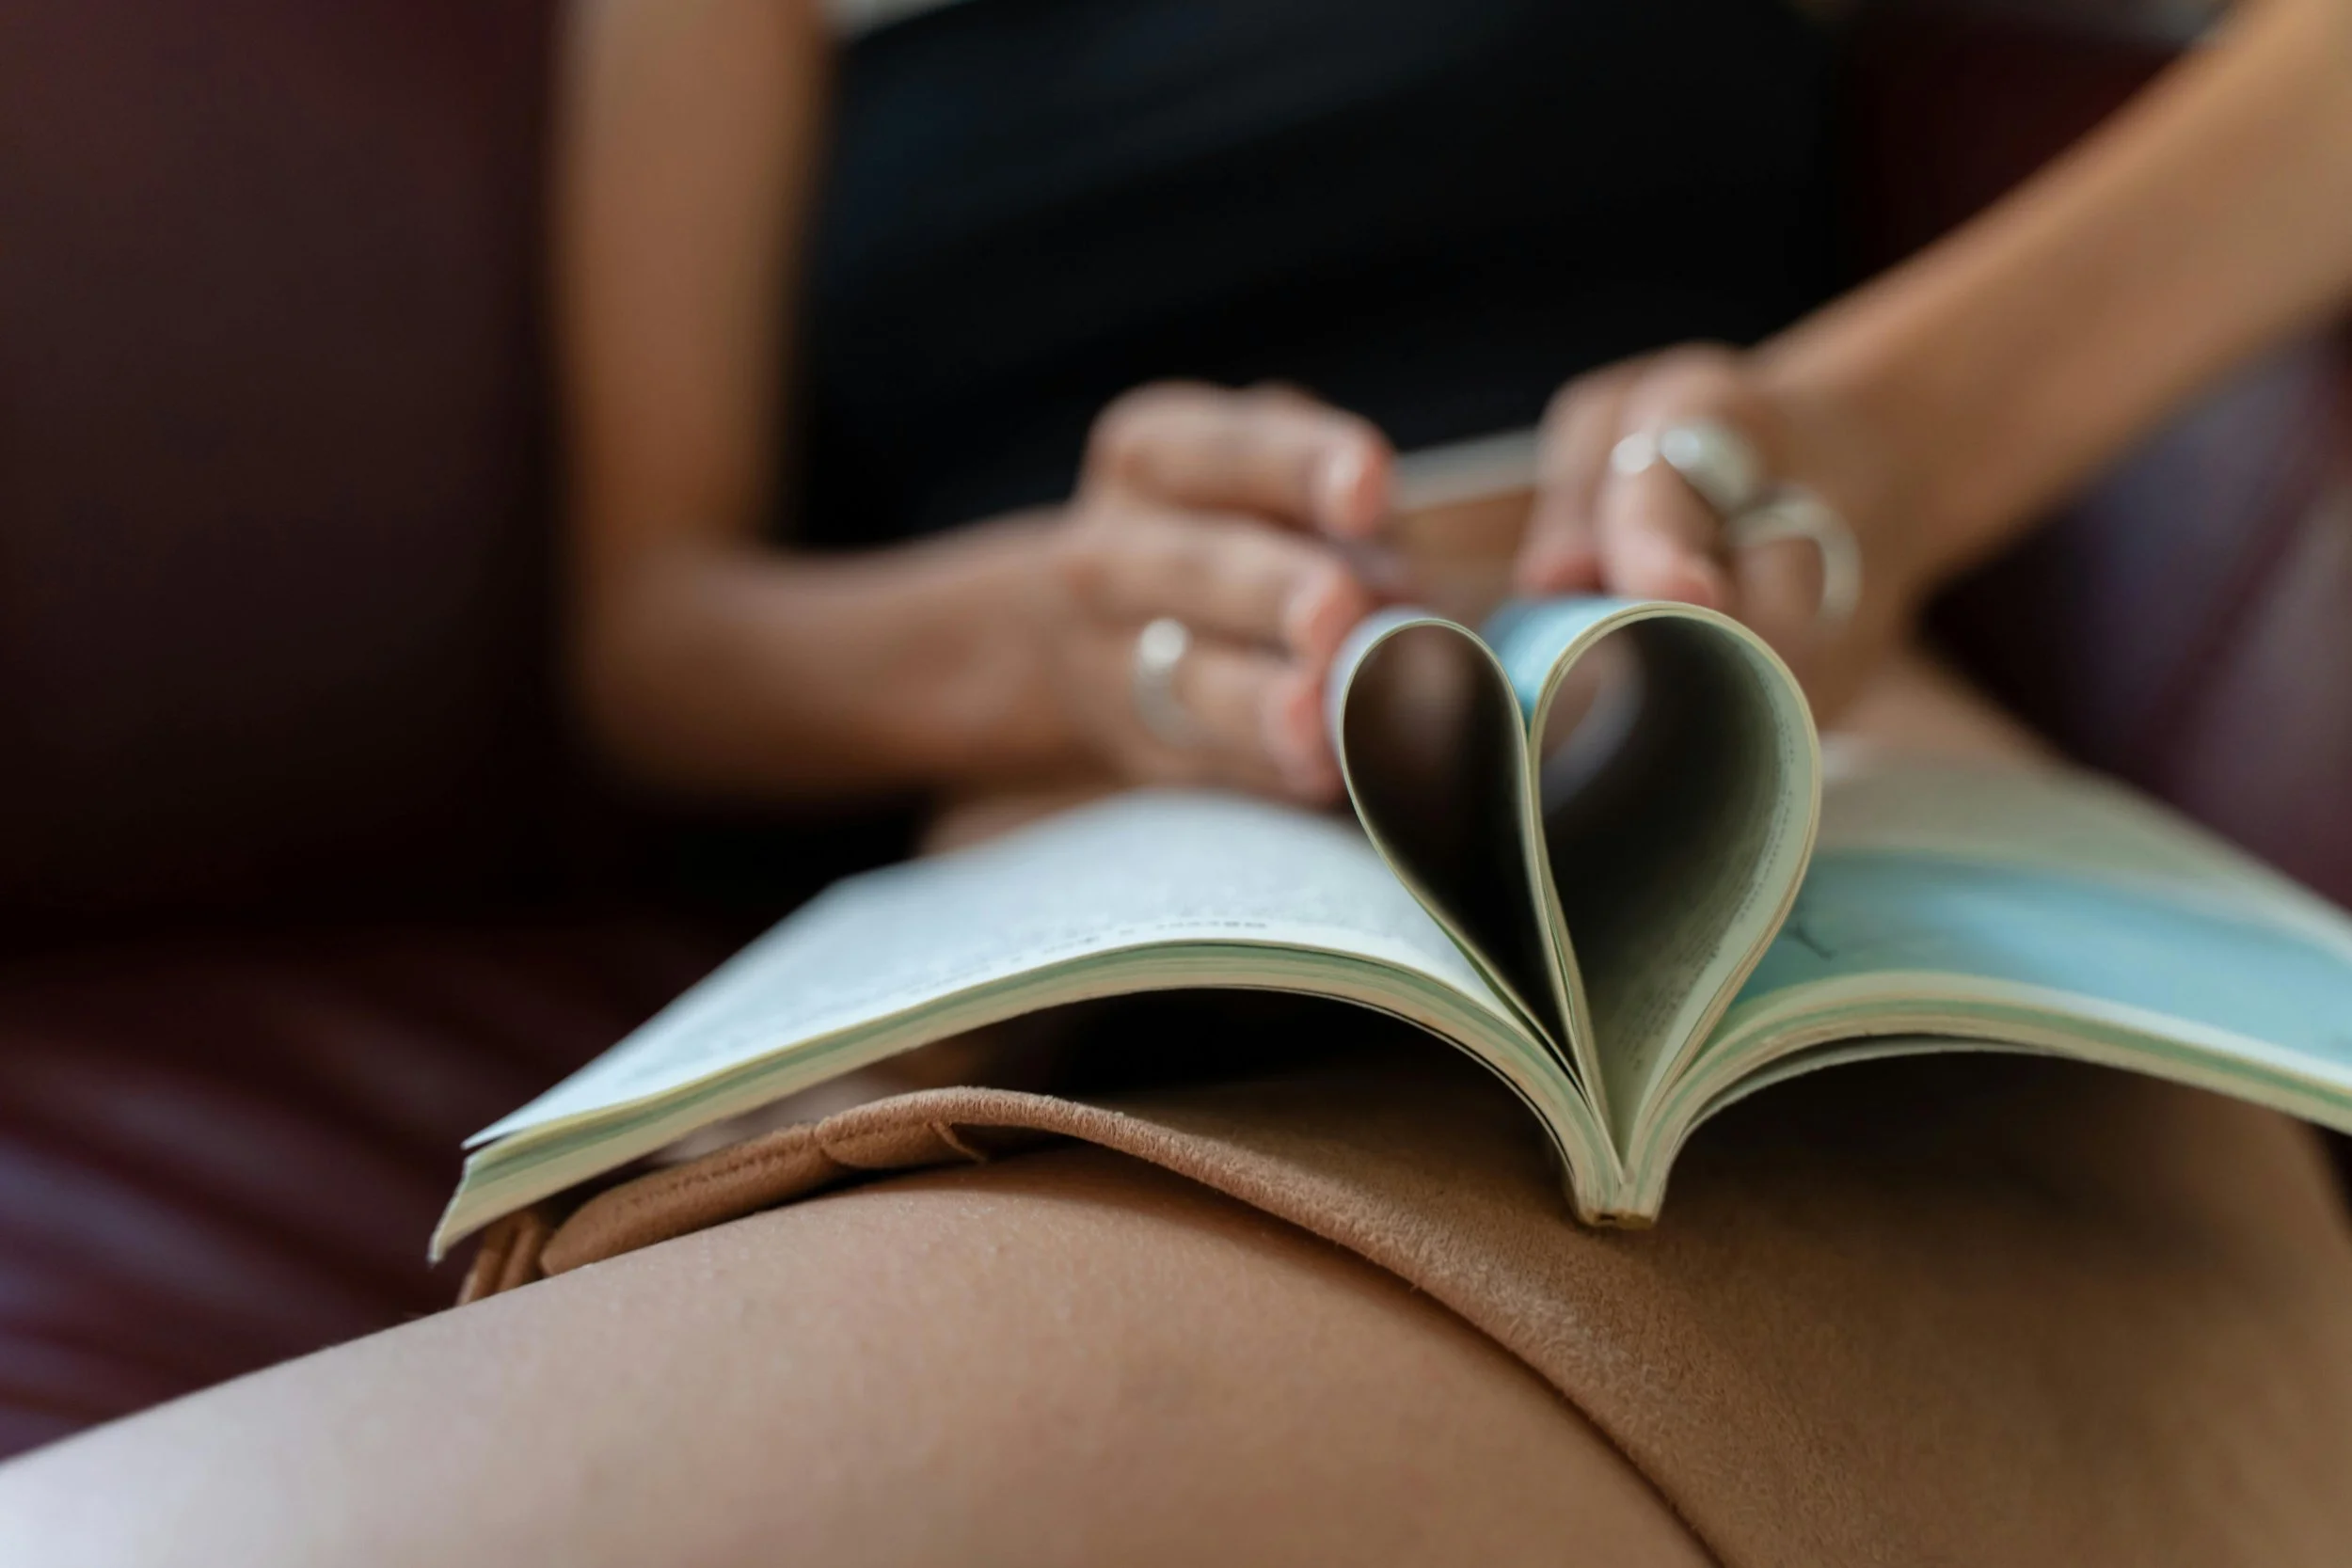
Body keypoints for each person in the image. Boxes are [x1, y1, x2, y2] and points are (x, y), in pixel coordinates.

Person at [4, 0, 2351, 1560]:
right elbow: (657, 637)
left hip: (1796, 789)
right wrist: (1051, 624)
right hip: (1095, 848)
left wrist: (1880, 437)